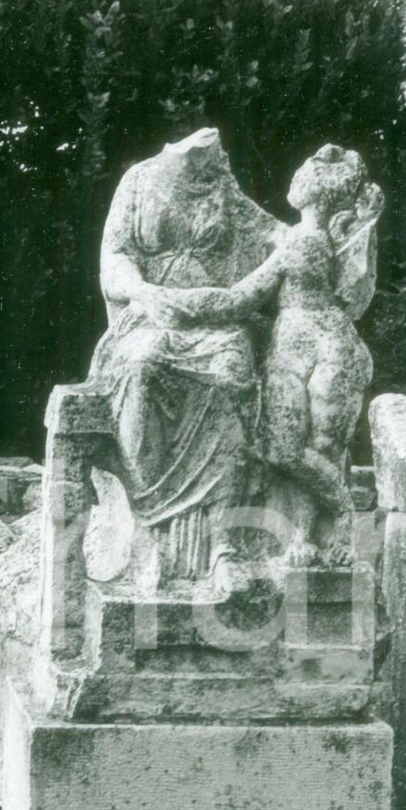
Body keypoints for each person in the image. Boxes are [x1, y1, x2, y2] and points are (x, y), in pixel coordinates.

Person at [88, 128, 284, 587]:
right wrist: (142, 292)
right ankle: (148, 522)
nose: (215, 166)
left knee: (231, 374)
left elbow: (272, 233)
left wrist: (321, 229)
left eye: (217, 161)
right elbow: (114, 256)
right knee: (141, 365)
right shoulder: (138, 182)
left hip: (217, 323)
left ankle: (222, 546)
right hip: (149, 316)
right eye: (206, 162)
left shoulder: (224, 190)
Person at [175, 144, 384, 564]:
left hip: (318, 347)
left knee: (306, 446)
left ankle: (330, 523)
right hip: (309, 345)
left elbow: (240, 298)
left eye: (303, 170)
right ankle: (313, 530)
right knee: (301, 448)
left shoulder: (303, 241)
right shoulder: (307, 236)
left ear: (309, 189)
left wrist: (176, 302)